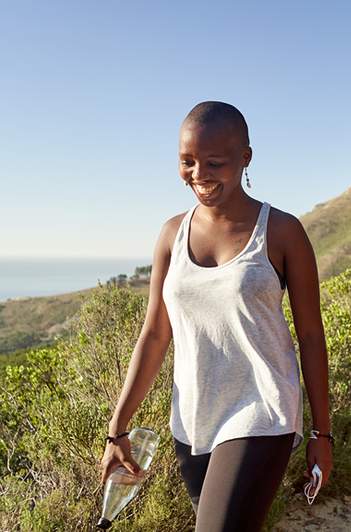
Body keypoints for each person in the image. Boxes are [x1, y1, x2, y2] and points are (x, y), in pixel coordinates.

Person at [99, 102, 333, 531]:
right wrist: (117, 429)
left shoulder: (282, 231)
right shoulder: (172, 234)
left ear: (245, 157)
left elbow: (312, 336)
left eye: (214, 162)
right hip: (192, 420)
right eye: (187, 161)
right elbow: (154, 333)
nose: (199, 174)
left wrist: (322, 433)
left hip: (262, 412)